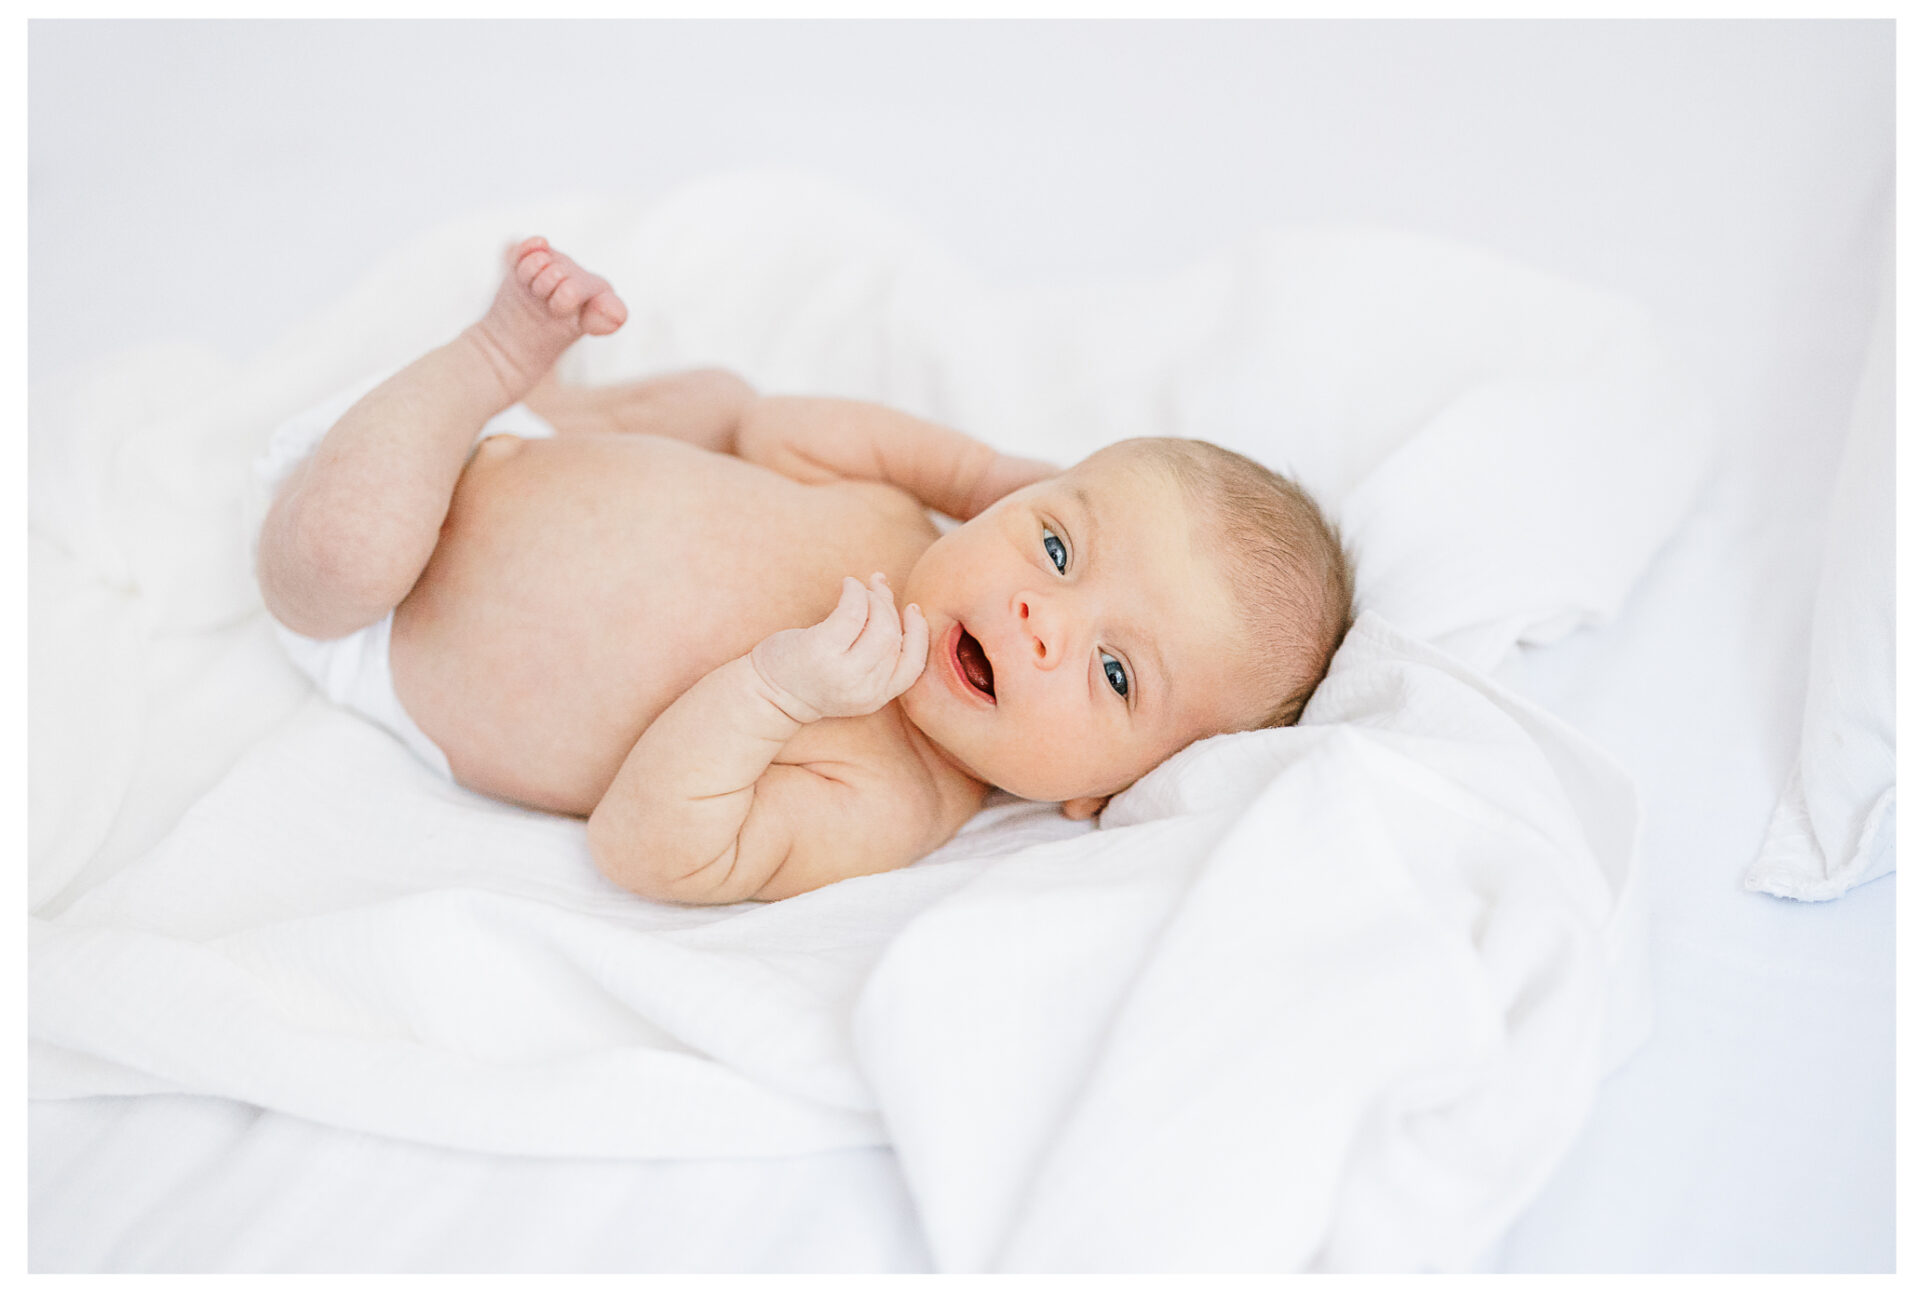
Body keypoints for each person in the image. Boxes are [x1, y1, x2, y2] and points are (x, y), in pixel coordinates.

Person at [256, 238, 1354, 904]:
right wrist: (969, 471)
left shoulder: (890, 797)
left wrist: (774, 694)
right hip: (513, 447)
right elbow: (777, 431)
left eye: (1115, 673)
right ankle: (526, 393)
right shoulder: (904, 526)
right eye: (1058, 546)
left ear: (1098, 795)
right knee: (724, 403)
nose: (1040, 616)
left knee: (347, 548)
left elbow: (650, 850)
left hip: (383, 615)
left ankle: (489, 358)